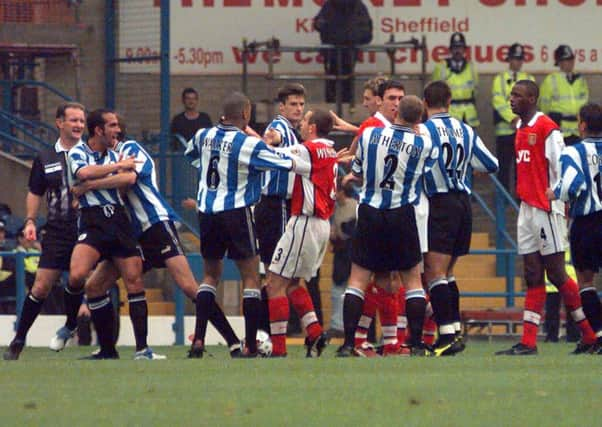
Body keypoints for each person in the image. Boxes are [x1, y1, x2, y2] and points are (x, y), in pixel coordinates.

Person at [73, 116, 242, 358]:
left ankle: (233, 342)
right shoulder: (106, 159)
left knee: (188, 286)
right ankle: (108, 349)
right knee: (95, 285)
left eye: (116, 130)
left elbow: (128, 180)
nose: (113, 134)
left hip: (156, 224)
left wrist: (89, 185)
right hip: (132, 233)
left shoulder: (131, 150)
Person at [184, 91, 308, 357]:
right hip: (237, 211)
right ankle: (250, 345)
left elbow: (190, 155)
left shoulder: (203, 135)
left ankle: (199, 342)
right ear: (245, 115)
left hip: (207, 212)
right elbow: (284, 163)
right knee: (251, 277)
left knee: (209, 276)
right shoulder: (247, 144)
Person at [495, 80, 597, 356]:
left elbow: (561, 166)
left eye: (518, 95)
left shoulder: (548, 129)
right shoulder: (519, 127)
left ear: (532, 98)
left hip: (546, 208)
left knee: (556, 271)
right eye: (511, 94)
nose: (511, 99)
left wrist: (558, 200)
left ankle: (590, 334)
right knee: (531, 272)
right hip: (527, 207)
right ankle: (528, 342)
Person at [336, 95, 439, 357]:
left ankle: (349, 344)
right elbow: (428, 170)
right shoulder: (424, 143)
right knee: (412, 280)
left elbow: (357, 170)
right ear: (419, 119)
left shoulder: (370, 135)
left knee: (358, 278)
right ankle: (415, 344)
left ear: (396, 113)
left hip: (371, 211)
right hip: (402, 213)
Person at [421, 81, 499, 356]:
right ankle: (454, 331)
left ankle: (445, 336)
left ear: (424, 103)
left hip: (440, 202)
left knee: (434, 271)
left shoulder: (424, 131)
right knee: (449, 272)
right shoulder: (466, 129)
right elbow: (491, 164)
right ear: (450, 100)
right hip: (463, 202)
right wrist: (467, 170)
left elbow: (420, 165)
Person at [3, 102, 86, 360]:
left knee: (76, 280)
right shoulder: (46, 157)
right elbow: (35, 192)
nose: (78, 125)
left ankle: (72, 324)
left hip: (86, 228)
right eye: (73, 120)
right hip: (57, 229)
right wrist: (29, 220)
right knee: (40, 286)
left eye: (82, 121)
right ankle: (19, 339)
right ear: (59, 123)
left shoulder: (91, 153)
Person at [65, 108, 145, 359]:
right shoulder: (79, 151)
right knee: (77, 275)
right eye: (112, 126)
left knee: (133, 280)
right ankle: (73, 323)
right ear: (98, 130)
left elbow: (128, 179)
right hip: (93, 219)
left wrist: (92, 185)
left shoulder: (118, 151)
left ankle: (141, 348)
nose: (117, 130)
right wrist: (118, 167)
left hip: (119, 219)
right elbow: (83, 173)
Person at [265, 109, 338, 357]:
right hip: (321, 224)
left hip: (305, 221)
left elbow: (274, 155)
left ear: (313, 127)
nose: (302, 124)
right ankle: (315, 333)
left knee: (274, 282)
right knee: (294, 283)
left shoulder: (309, 148)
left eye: (305, 120)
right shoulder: (330, 149)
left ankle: (278, 350)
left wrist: (258, 143)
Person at [256, 83, 322, 344]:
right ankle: (266, 336)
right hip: (276, 208)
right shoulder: (281, 128)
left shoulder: (295, 132)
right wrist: (267, 141)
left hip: (282, 209)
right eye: (293, 104)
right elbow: (272, 137)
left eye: (301, 104)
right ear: (281, 107)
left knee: (287, 278)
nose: (298, 108)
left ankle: (313, 332)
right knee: (277, 278)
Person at [546, 102, 602, 354]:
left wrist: (554, 191)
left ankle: (599, 336)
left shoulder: (573, 152)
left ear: (582, 125)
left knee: (586, 282)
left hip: (588, 222)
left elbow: (572, 185)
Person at [491, 43, 535, 192]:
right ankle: (502, 201)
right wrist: (513, 118)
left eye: (520, 59)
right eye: (515, 58)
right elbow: (499, 102)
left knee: (522, 165)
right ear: (509, 60)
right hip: (504, 131)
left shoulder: (529, 78)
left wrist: (521, 120)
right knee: (503, 166)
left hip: (523, 130)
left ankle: (520, 197)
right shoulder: (500, 79)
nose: (517, 62)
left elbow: (531, 101)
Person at [314, 0, 372, 103]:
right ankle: (344, 107)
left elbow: (318, 24)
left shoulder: (354, 6)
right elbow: (367, 33)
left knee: (338, 82)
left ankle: (338, 107)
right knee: (341, 82)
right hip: (337, 53)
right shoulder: (356, 5)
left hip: (342, 53)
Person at [539, 45, 589, 146]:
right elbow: (544, 105)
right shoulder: (550, 80)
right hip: (559, 129)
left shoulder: (579, 79)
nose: (570, 62)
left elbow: (585, 100)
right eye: (567, 60)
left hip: (577, 130)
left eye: (571, 59)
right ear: (560, 62)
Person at [432, 32, 479, 128]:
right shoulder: (441, 67)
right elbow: (434, 93)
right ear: (450, 50)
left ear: (464, 49)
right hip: (449, 115)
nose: (458, 51)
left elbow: (476, 90)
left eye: (460, 48)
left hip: (469, 117)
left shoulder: (471, 67)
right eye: (455, 48)